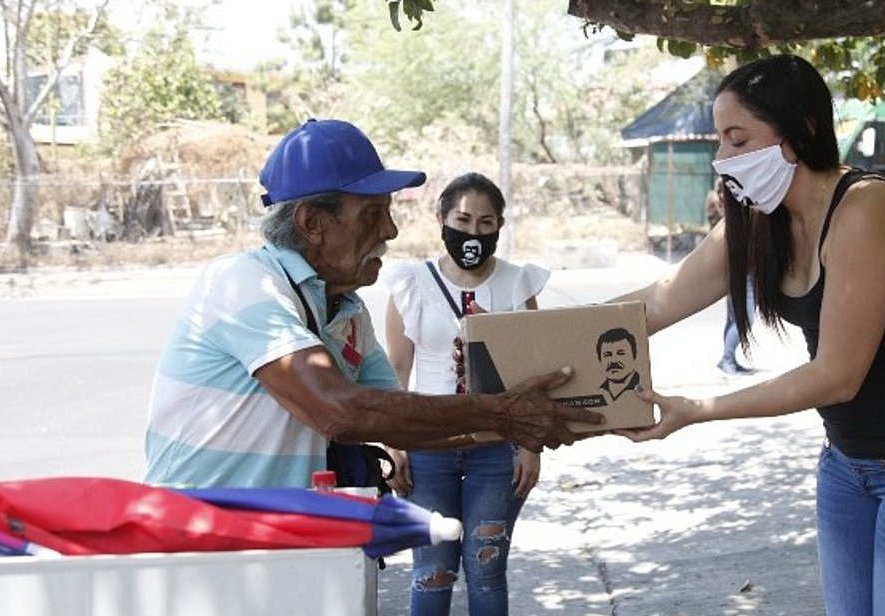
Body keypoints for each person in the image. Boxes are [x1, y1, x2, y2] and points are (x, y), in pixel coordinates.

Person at [614, 55, 885, 616]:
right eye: (720, 140)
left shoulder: (864, 209)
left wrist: (699, 408)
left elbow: (837, 377)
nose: (724, 159)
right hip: (848, 467)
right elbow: (659, 303)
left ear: (802, 130)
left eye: (738, 139)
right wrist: (527, 336)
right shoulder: (758, 219)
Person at [142, 119, 599, 489]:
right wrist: (503, 412)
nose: (390, 232)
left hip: (278, 547)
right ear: (313, 222)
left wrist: (556, 419)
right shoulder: (243, 284)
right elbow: (341, 412)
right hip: (201, 547)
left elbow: (400, 416)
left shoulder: (346, 311)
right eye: (372, 214)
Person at [382, 172, 545, 616]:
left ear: (500, 226)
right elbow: (395, 369)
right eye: (463, 220)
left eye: (486, 222)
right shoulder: (410, 284)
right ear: (442, 219)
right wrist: (393, 441)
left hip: (497, 451)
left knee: (487, 568)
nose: (473, 233)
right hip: (427, 448)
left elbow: (533, 376)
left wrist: (531, 446)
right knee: (432, 570)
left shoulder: (517, 284)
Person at [706, 176, 755, 375]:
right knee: (745, 319)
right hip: (743, 274)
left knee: (734, 318)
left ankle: (729, 360)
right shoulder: (732, 219)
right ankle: (727, 359)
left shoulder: (721, 215)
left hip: (737, 274)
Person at [596, 327, 641, 401]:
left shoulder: (647, 386)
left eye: (621, 353)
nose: (614, 360)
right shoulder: (596, 391)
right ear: (600, 359)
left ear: (634, 355)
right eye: (608, 355)